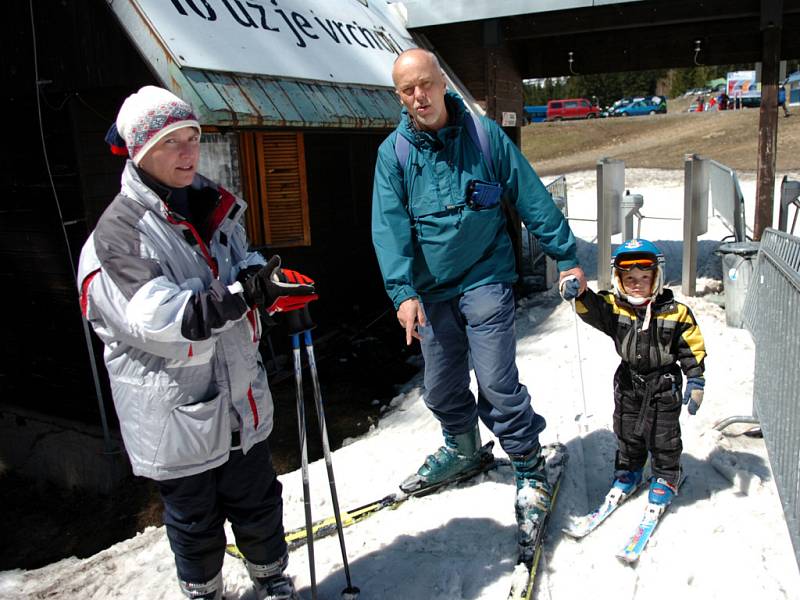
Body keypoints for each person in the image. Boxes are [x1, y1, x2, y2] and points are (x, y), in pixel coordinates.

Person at [77, 86, 315, 600]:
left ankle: (272, 581)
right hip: (175, 412)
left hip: (240, 400)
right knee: (195, 522)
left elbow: (237, 269)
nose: (189, 153)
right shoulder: (120, 234)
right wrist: (245, 293)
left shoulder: (211, 203)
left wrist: (268, 283)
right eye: (171, 143)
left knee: (259, 502)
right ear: (140, 152)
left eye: (193, 138)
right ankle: (204, 593)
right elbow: (162, 319)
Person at [370, 48, 586, 553]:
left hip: (486, 275)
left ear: (443, 82)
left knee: (495, 382)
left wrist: (567, 254)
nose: (419, 97)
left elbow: (530, 194)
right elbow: (389, 228)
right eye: (407, 90)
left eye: (425, 84)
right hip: (430, 289)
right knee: (442, 391)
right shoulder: (394, 155)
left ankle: (529, 466)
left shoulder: (486, 137)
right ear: (399, 95)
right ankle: (464, 448)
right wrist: (402, 292)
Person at [566, 238, 706, 508]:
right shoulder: (616, 308)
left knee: (663, 435)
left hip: (664, 385)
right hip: (629, 382)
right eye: (629, 278)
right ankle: (629, 470)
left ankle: (666, 475)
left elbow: (692, 348)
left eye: (644, 277)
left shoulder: (677, 314)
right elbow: (592, 307)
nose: (637, 283)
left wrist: (696, 379)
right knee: (626, 430)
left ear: (657, 277)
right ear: (619, 279)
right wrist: (580, 293)